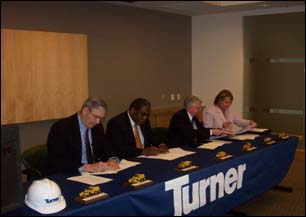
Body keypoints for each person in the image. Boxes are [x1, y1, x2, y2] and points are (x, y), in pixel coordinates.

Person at [47, 96, 120, 174]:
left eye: (101, 118)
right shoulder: (62, 128)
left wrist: (112, 160)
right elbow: (58, 160)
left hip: (94, 174)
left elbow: (106, 147)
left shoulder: (97, 127)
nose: (98, 122)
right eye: (96, 117)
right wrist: (85, 167)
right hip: (70, 173)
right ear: (85, 111)